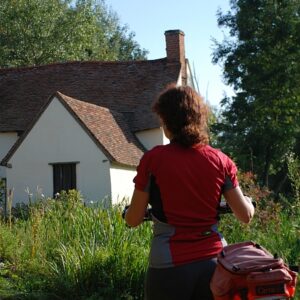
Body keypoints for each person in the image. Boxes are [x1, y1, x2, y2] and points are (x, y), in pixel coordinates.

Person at [124, 84, 255, 300]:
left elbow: (134, 219)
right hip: (214, 264)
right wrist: (249, 202)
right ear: (198, 119)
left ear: (167, 122)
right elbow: (245, 215)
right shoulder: (221, 161)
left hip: (168, 265)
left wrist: (128, 213)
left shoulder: (153, 160)